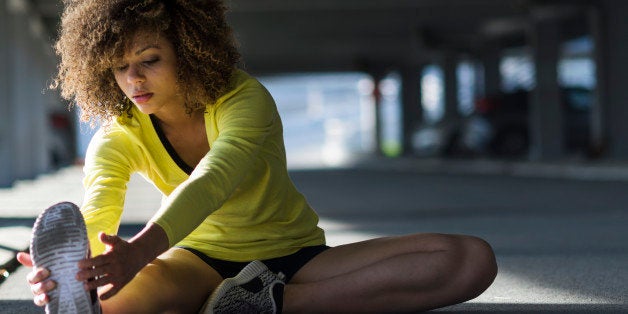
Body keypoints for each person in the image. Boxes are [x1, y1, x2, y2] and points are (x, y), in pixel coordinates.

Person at [17, 0, 497, 313]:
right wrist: (84, 269)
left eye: (150, 59)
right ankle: (220, 303)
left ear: (188, 49)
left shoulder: (243, 99)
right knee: (110, 302)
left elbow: (215, 177)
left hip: (295, 256)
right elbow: (99, 204)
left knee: (470, 259)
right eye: (120, 67)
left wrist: (141, 250)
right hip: (196, 263)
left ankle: (265, 303)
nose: (134, 80)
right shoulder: (118, 135)